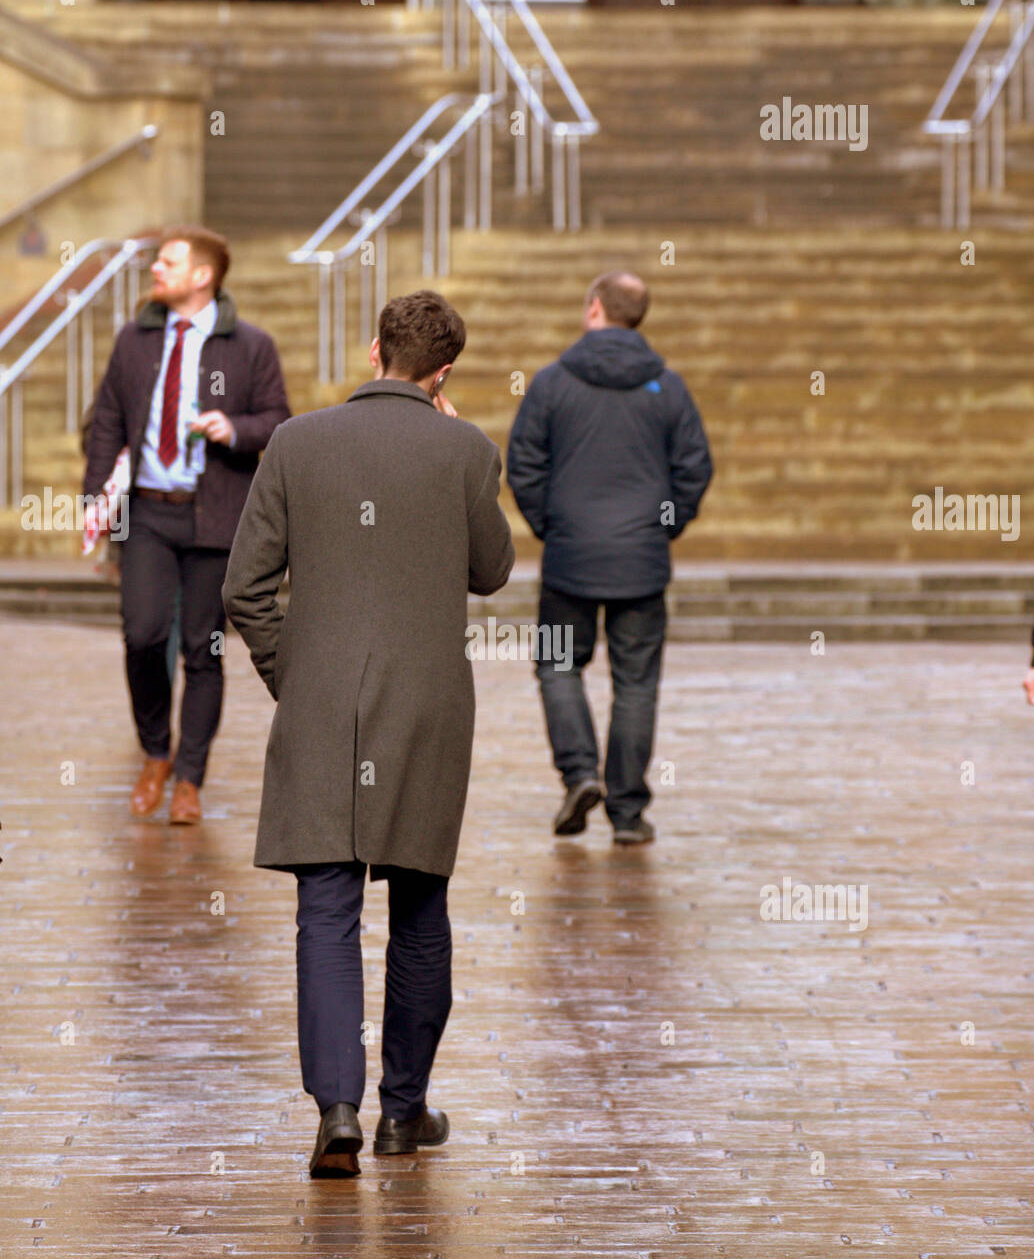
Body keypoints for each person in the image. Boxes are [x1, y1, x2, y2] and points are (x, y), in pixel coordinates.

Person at [222, 290, 514, 1178]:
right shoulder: (464, 446)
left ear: (374, 348)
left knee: (326, 908)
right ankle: (404, 1110)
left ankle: (336, 1110)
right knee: (420, 906)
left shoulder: (296, 441)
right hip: (425, 703)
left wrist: (295, 681)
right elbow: (492, 571)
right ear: (444, 372)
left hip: (321, 701)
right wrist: (472, 457)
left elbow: (244, 590)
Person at [82, 225, 291, 824]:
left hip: (217, 515)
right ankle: (156, 751)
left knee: (204, 650)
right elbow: (106, 424)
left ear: (202, 275)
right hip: (145, 512)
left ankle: (190, 778)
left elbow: (279, 420)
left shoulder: (251, 346)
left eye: (166, 262)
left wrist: (237, 430)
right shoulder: (133, 339)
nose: (154, 270)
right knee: (142, 633)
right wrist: (95, 499)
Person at [507, 270, 712, 845]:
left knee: (556, 665)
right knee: (637, 683)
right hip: (641, 563)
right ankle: (626, 813)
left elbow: (524, 464)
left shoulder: (551, 384)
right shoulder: (667, 387)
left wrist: (554, 526)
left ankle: (579, 774)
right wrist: (662, 528)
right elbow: (695, 470)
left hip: (570, 558)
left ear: (594, 307)